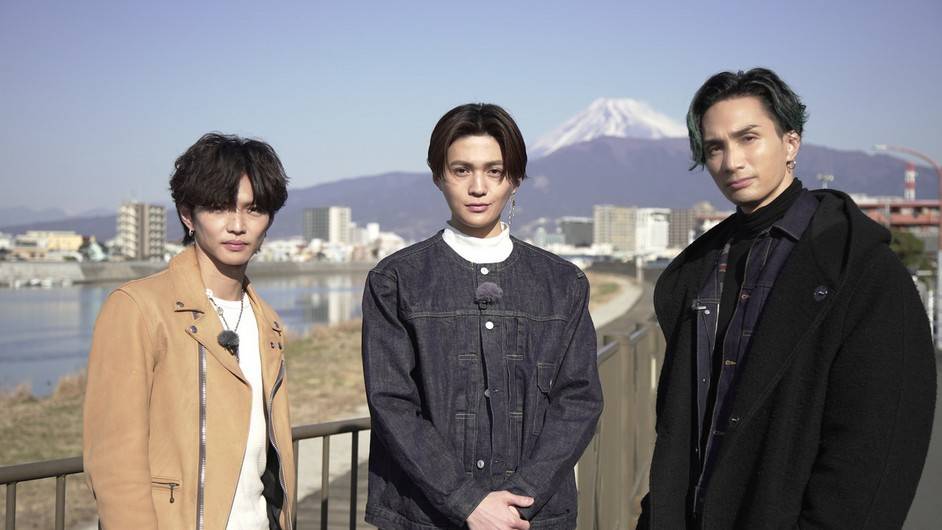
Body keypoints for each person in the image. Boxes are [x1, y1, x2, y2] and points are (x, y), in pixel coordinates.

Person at [637, 68, 936, 529]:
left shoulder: (861, 271)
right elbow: (684, 426)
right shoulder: (701, 269)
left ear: (791, 143)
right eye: (715, 147)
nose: (732, 161)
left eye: (748, 138)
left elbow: (877, 444)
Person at [361, 103, 603, 530]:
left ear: (515, 178)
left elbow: (579, 401)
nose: (478, 187)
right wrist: (468, 501)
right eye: (461, 170)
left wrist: (517, 501)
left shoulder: (562, 283)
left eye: (494, 171)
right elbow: (391, 402)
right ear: (438, 175)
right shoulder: (396, 280)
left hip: (534, 518)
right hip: (424, 518)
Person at [83, 133, 295, 529]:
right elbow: (114, 461)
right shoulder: (138, 308)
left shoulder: (267, 321)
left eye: (253, 209)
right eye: (219, 207)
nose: (237, 225)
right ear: (187, 215)